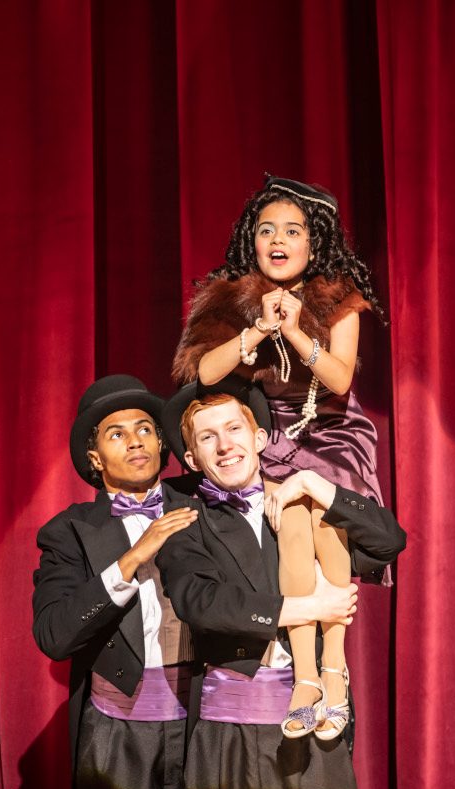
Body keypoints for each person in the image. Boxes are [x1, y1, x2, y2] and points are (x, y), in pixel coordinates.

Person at [157, 376, 406, 789]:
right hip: (225, 742)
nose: (224, 446)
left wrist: (322, 486)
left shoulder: (305, 508)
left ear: (259, 434)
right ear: (192, 456)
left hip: (313, 735)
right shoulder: (183, 517)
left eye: (234, 429)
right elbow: (201, 604)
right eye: (207, 438)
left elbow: (388, 541)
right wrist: (306, 608)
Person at [172, 174, 386, 738]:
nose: (278, 239)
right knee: (291, 524)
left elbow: (339, 381)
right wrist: (258, 327)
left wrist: (292, 330)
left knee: (322, 521)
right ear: (253, 240)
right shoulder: (233, 297)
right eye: (267, 229)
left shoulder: (339, 298)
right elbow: (203, 373)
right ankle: (309, 676)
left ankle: (332, 670)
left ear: (314, 243)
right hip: (271, 434)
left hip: (333, 432)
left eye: (293, 230)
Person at [32, 375, 198, 789]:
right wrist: (130, 560)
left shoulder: (202, 507)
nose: (136, 441)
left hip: (205, 727)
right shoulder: (71, 532)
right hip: (115, 731)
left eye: (147, 429)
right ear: (94, 457)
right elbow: (54, 635)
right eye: (117, 432)